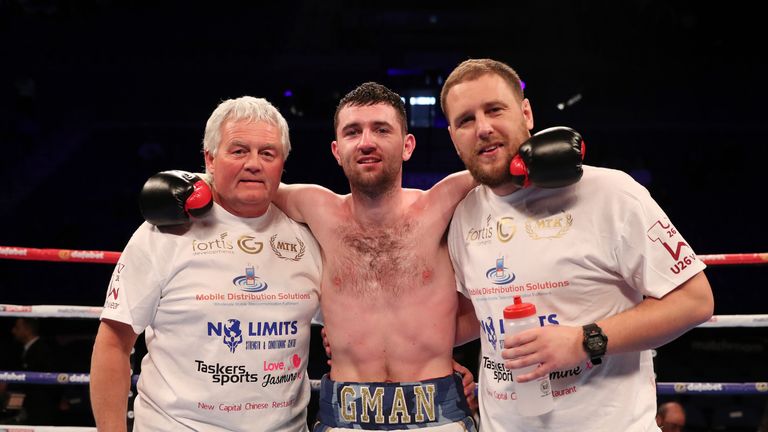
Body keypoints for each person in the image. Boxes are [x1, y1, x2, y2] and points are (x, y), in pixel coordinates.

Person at [138, 82, 583, 430]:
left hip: (438, 412)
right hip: (345, 415)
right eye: (353, 132)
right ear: (337, 150)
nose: (366, 141)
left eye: (381, 130)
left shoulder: (445, 202)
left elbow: (500, 165)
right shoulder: (314, 206)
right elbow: (247, 179)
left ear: (407, 145)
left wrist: (539, 152)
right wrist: (187, 182)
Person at [443, 58, 715, 431]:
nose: (483, 128)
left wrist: (584, 340)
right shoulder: (464, 215)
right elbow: (474, 313)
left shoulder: (612, 194)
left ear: (526, 113)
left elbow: (696, 300)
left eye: (494, 110)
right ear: (453, 136)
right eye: (466, 120)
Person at [89, 96, 323, 431]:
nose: (254, 163)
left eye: (267, 153)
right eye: (239, 150)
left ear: (282, 163)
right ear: (210, 159)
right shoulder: (161, 235)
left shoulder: (308, 237)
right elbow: (114, 341)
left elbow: (348, 330)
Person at [1, 317, 60, 425]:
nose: (13, 331)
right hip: (33, 406)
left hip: (42, 408)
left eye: (17, 327)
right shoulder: (28, 350)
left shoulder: (43, 350)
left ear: (27, 329)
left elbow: (51, 380)